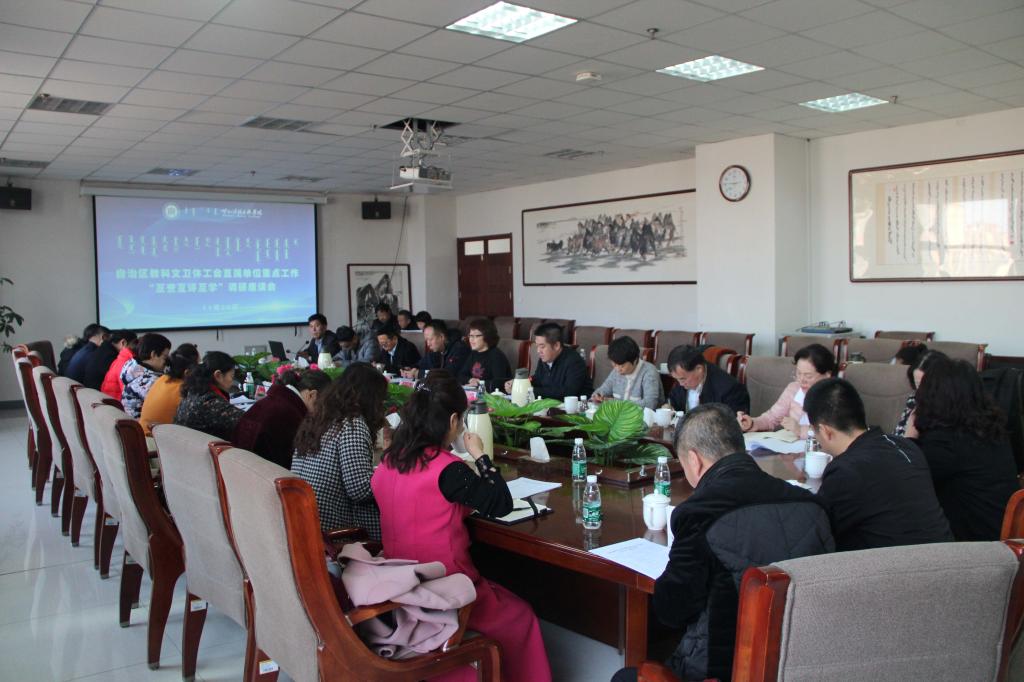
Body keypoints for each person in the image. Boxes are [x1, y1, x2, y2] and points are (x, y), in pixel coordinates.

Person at [611, 404, 834, 682]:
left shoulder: (700, 513)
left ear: (694, 460)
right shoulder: (812, 506)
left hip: (721, 670)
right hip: (803, 667)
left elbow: (672, 611)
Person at [371, 371, 552, 682]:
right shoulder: (448, 469)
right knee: (521, 616)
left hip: (398, 583)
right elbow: (501, 503)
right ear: (454, 420)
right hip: (447, 588)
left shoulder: (390, 460)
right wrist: (480, 454)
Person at [806, 378, 952, 551]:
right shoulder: (905, 447)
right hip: (948, 556)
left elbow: (821, 532)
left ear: (825, 431)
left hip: (896, 565)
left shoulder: (845, 470)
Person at [905, 358, 1018, 541]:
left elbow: (904, 478)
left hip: (971, 544)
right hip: (1000, 534)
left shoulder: (945, 441)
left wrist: (910, 435)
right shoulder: (990, 428)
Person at [292, 363, 388, 537]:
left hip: (309, 522)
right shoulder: (352, 424)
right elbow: (359, 489)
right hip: (335, 532)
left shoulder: (320, 417)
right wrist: (389, 472)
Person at [235, 369, 330, 470]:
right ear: (312, 395)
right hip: (260, 474)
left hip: (238, 469)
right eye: (325, 404)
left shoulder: (277, 401)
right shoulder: (290, 415)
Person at [738, 343, 834, 438]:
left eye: (808, 376)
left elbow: (833, 433)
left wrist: (801, 430)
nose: (801, 380)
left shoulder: (836, 396)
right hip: (792, 446)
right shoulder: (793, 389)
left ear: (827, 375)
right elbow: (771, 418)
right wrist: (752, 423)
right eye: (798, 373)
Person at [508, 322, 591, 400]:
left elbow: (567, 392)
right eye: (537, 346)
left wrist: (530, 391)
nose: (538, 351)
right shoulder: (545, 358)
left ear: (556, 345)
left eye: (542, 347)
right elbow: (537, 379)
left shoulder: (574, 361)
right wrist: (519, 384)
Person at [174, 351, 244, 441]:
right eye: (232, 376)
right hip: (200, 448)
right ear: (218, 375)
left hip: (185, 445)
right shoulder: (209, 401)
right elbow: (247, 422)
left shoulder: (193, 392)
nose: (232, 381)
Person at [665, 345, 749, 415]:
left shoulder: (730, 389)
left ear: (699, 369)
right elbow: (673, 400)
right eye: (677, 379)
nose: (680, 384)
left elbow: (734, 424)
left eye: (682, 379)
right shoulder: (683, 378)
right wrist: (668, 407)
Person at [140, 343, 199, 436]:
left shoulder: (161, 379)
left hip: (143, 434)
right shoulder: (183, 389)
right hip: (155, 440)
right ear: (187, 372)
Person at [592, 336, 663, 409]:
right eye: (614, 365)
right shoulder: (616, 371)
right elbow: (603, 390)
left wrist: (616, 403)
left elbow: (650, 404)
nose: (617, 369)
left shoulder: (649, 372)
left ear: (635, 360)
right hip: (619, 414)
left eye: (622, 366)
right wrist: (597, 396)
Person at [894, 349, 947, 437]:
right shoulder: (914, 399)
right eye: (917, 383)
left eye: (927, 384)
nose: (921, 390)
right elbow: (899, 433)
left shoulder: (949, 408)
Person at [120, 333, 171, 418]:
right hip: (142, 424)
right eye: (165, 357)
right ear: (153, 354)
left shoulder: (133, 369)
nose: (166, 362)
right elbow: (167, 404)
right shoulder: (148, 381)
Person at [405, 319, 469, 379]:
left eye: (430, 339)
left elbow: (448, 375)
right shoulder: (435, 350)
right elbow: (421, 364)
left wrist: (419, 374)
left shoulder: (460, 349)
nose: (428, 344)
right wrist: (410, 369)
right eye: (426, 340)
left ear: (441, 337)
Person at [458, 317, 511, 390]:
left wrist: (479, 383)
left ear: (487, 336)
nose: (471, 339)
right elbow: (461, 375)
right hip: (476, 392)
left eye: (476, 336)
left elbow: (499, 383)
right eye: (470, 336)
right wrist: (470, 380)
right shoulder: (474, 353)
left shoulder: (496, 355)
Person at [97, 330, 139, 399]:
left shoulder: (119, 359)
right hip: (116, 403)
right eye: (135, 343)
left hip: (108, 400)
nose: (137, 347)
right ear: (123, 342)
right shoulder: (126, 363)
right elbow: (128, 394)